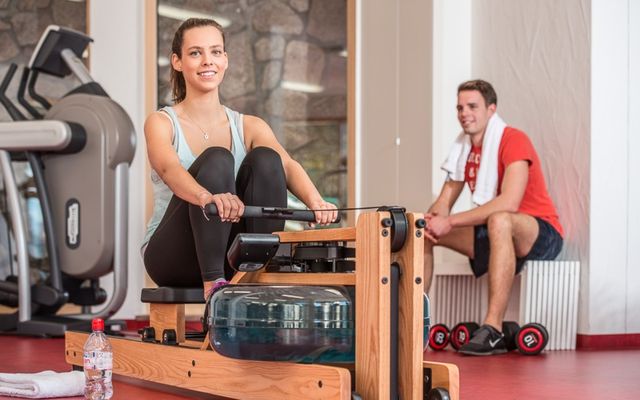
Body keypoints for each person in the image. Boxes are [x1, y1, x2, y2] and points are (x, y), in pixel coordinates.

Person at [141, 18, 337, 300]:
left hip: (233, 255)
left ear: (226, 60)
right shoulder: (162, 122)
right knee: (217, 159)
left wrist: (315, 202)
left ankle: (256, 276)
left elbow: (287, 165)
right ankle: (214, 287)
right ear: (177, 61)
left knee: (267, 159)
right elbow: (169, 169)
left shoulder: (249, 126)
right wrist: (207, 198)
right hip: (173, 257)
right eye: (196, 53)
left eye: (216, 52)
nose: (207, 61)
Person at [424, 79, 563, 356]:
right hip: (494, 230)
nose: (464, 113)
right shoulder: (463, 148)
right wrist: (433, 219)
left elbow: (510, 203)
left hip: (540, 233)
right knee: (423, 233)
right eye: (460, 107)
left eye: (472, 106)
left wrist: (450, 221)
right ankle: (416, 320)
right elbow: (443, 203)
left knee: (500, 218)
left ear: (491, 109)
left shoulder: (512, 139)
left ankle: (493, 328)